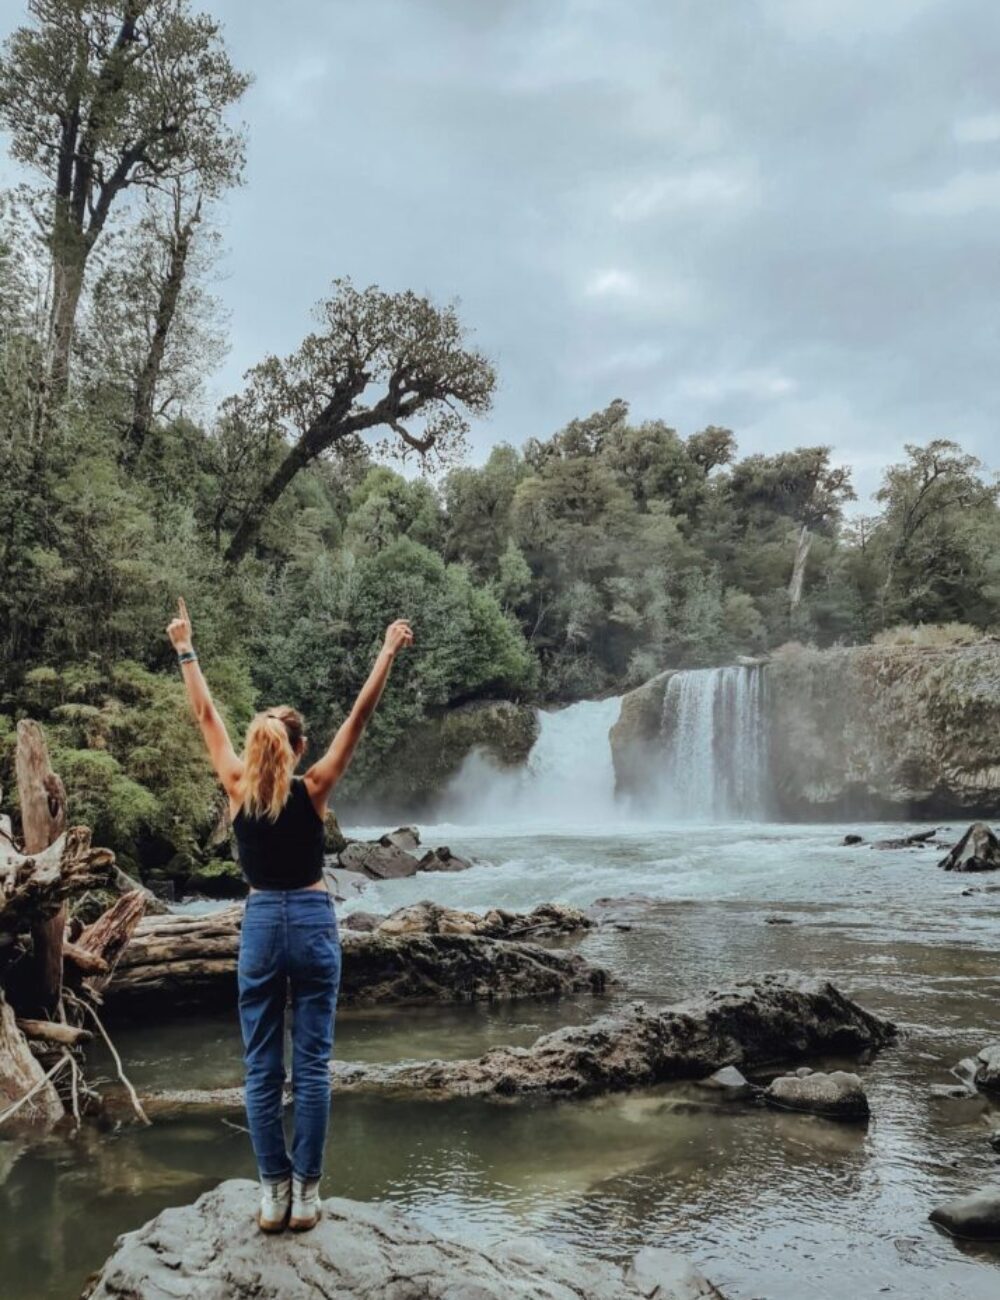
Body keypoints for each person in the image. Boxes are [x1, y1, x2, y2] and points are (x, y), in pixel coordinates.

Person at [166, 597, 413, 1233]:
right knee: (311, 1067)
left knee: (259, 1067)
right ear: (299, 748)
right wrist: (385, 651)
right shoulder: (316, 787)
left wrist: (185, 648)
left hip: (259, 927)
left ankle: (271, 1196)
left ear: (259, 747)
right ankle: (308, 1195)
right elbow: (361, 715)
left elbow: (203, 714)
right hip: (310, 920)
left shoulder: (235, 784)